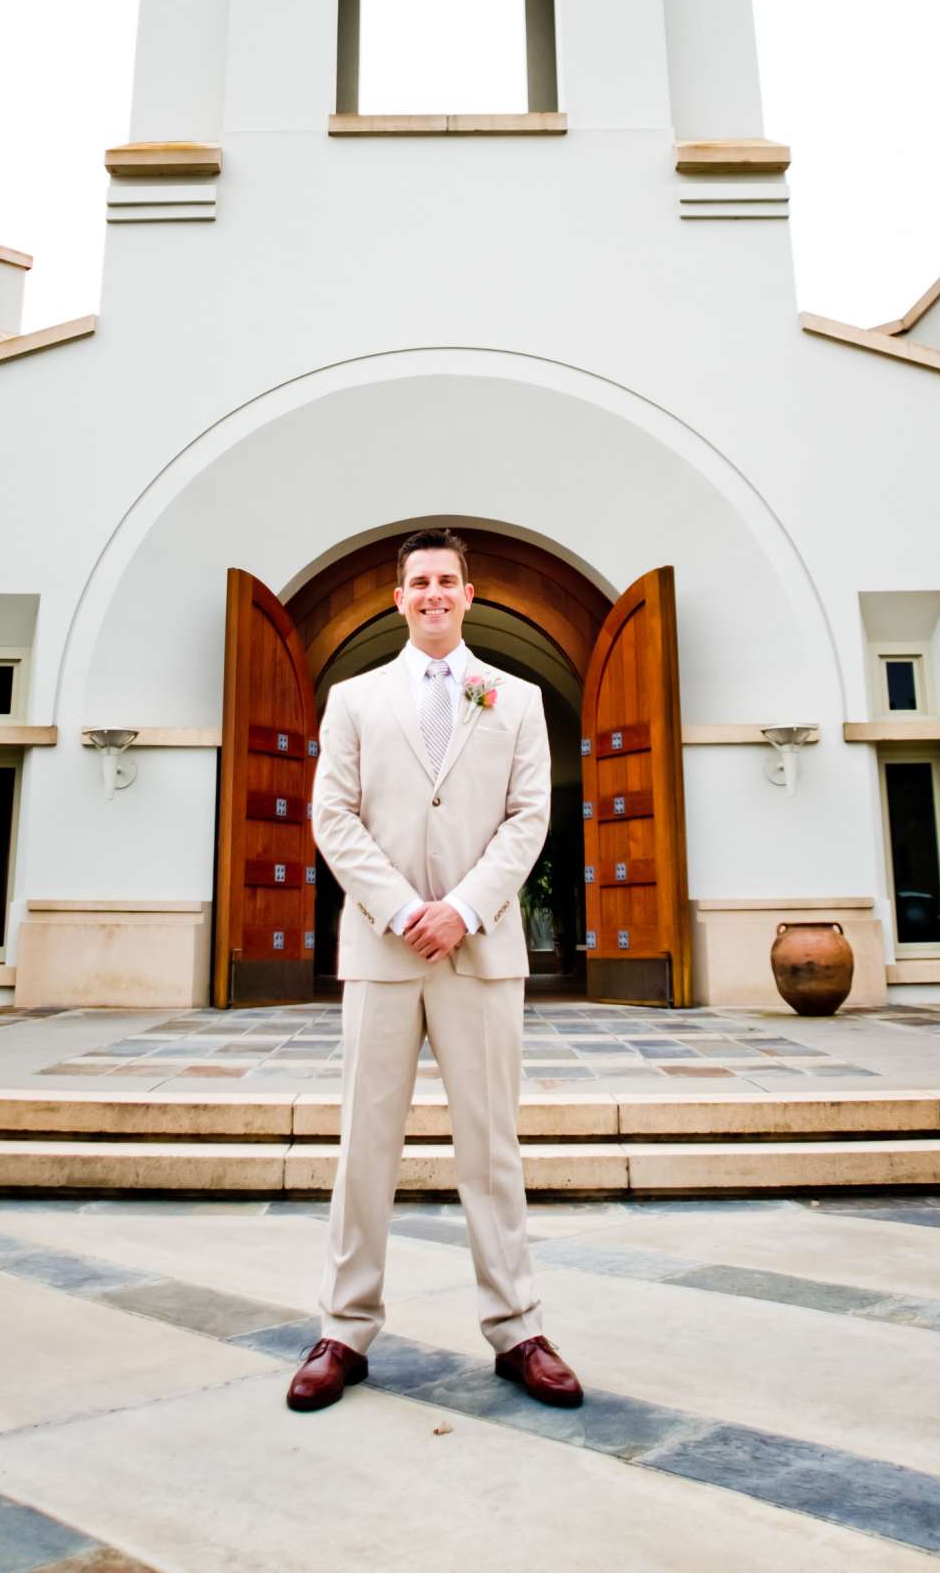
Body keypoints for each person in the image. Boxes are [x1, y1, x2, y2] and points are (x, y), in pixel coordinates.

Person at [286, 528, 582, 1412]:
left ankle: (517, 1325)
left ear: (469, 593)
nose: (433, 594)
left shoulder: (518, 698)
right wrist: (405, 910)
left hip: (481, 952)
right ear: (398, 597)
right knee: (362, 1145)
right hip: (382, 952)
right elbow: (332, 816)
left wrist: (464, 908)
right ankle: (344, 1328)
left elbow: (529, 819)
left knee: (491, 1147)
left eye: (447, 580)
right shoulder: (352, 698)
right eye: (419, 582)